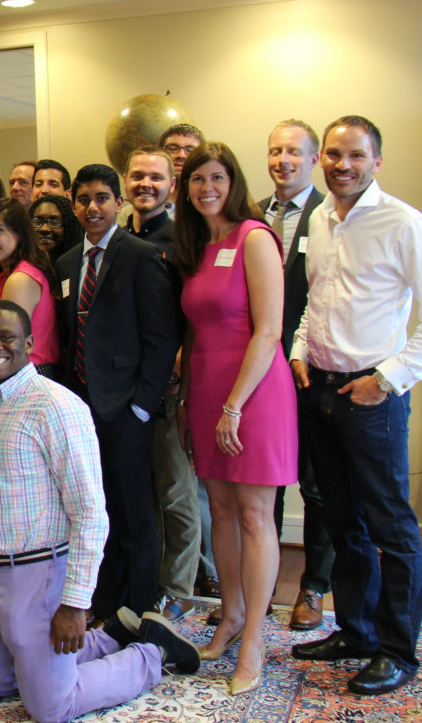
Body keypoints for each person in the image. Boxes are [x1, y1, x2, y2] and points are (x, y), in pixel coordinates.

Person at [288, 116, 422, 695]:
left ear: (376, 161)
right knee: (344, 522)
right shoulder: (320, 218)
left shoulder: (404, 224)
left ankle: (397, 651)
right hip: (320, 390)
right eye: (334, 154)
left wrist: (386, 380)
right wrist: (298, 350)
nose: (343, 165)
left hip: (372, 397)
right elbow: (317, 299)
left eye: (356, 156)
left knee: (391, 526)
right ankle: (357, 632)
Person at [0, 301, 199, 723]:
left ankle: (153, 652)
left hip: (39, 572)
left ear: (30, 344)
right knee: (2, 685)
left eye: (6, 338)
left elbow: (92, 514)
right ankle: (115, 636)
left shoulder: (55, 406)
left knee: (52, 707)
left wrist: (74, 604)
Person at [171, 142, 297, 696]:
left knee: (252, 515)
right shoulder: (200, 246)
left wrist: (234, 406)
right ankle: (231, 615)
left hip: (255, 392)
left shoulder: (254, 237)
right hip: (205, 390)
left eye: (216, 177)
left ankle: (256, 642)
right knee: (219, 511)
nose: (206, 188)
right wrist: (186, 399)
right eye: (196, 180)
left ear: (233, 181)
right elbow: (194, 331)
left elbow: (269, 331)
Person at [55, 165, 178, 621]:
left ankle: (140, 609)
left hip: (128, 409)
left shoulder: (142, 255)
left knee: (134, 515)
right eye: (84, 199)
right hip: (83, 408)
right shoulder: (68, 263)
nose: (93, 207)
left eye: (103, 198)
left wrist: (143, 407)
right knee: (94, 509)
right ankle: (104, 601)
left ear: (118, 202)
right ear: (74, 204)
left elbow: (162, 338)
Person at [258, 119, 332, 632]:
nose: (283, 159)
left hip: (310, 368)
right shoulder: (251, 216)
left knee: (316, 482)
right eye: (275, 150)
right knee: (265, 483)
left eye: (294, 152)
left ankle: (314, 587)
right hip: (261, 370)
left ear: (314, 159)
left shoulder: (331, 215)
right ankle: (259, 588)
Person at [121, 148, 198, 623]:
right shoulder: (116, 236)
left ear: (172, 185)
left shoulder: (182, 240)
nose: (145, 184)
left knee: (174, 491)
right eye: (137, 176)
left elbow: (191, 319)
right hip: (124, 391)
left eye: (156, 177)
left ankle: (179, 589)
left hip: (166, 389)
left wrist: (172, 376)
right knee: (137, 493)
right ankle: (142, 582)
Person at [0, 198, 59, 377]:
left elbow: (8, 343)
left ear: (19, 234)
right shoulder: (0, 278)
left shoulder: (20, 278)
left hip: (28, 372)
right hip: (11, 368)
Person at [31, 194, 81, 262]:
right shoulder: (22, 268)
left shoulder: (79, 265)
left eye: (54, 222)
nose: (44, 229)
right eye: (38, 222)